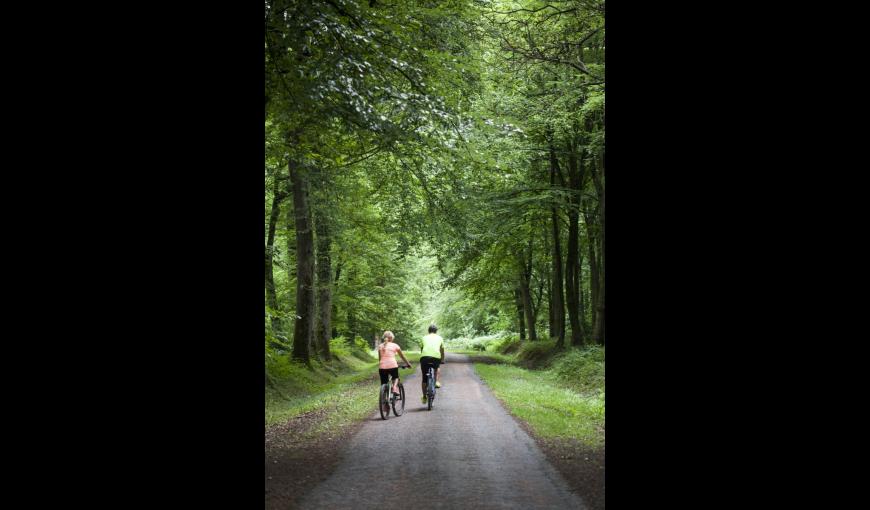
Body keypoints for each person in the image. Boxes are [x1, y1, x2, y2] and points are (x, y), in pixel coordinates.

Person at [378, 331, 411, 396]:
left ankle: (385, 402)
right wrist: (408, 364)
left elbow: (380, 359)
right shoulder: (395, 345)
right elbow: (402, 356)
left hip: (382, 367)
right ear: (392, 338)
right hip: (392, 365)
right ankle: (395, 388)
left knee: (384, 384)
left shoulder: (380, 346)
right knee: (396, 377)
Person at [419, 324, 445, 403]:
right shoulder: (440, 338)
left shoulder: (424, 337)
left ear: (428, 331)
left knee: (424, 378)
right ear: (436, 331)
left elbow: (422, 349)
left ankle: (424, 397)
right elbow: (442, 350)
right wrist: (442, 359)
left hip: (424, 358)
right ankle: (436, 381)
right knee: (437, 368)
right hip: (436, 357)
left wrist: (424, 356)